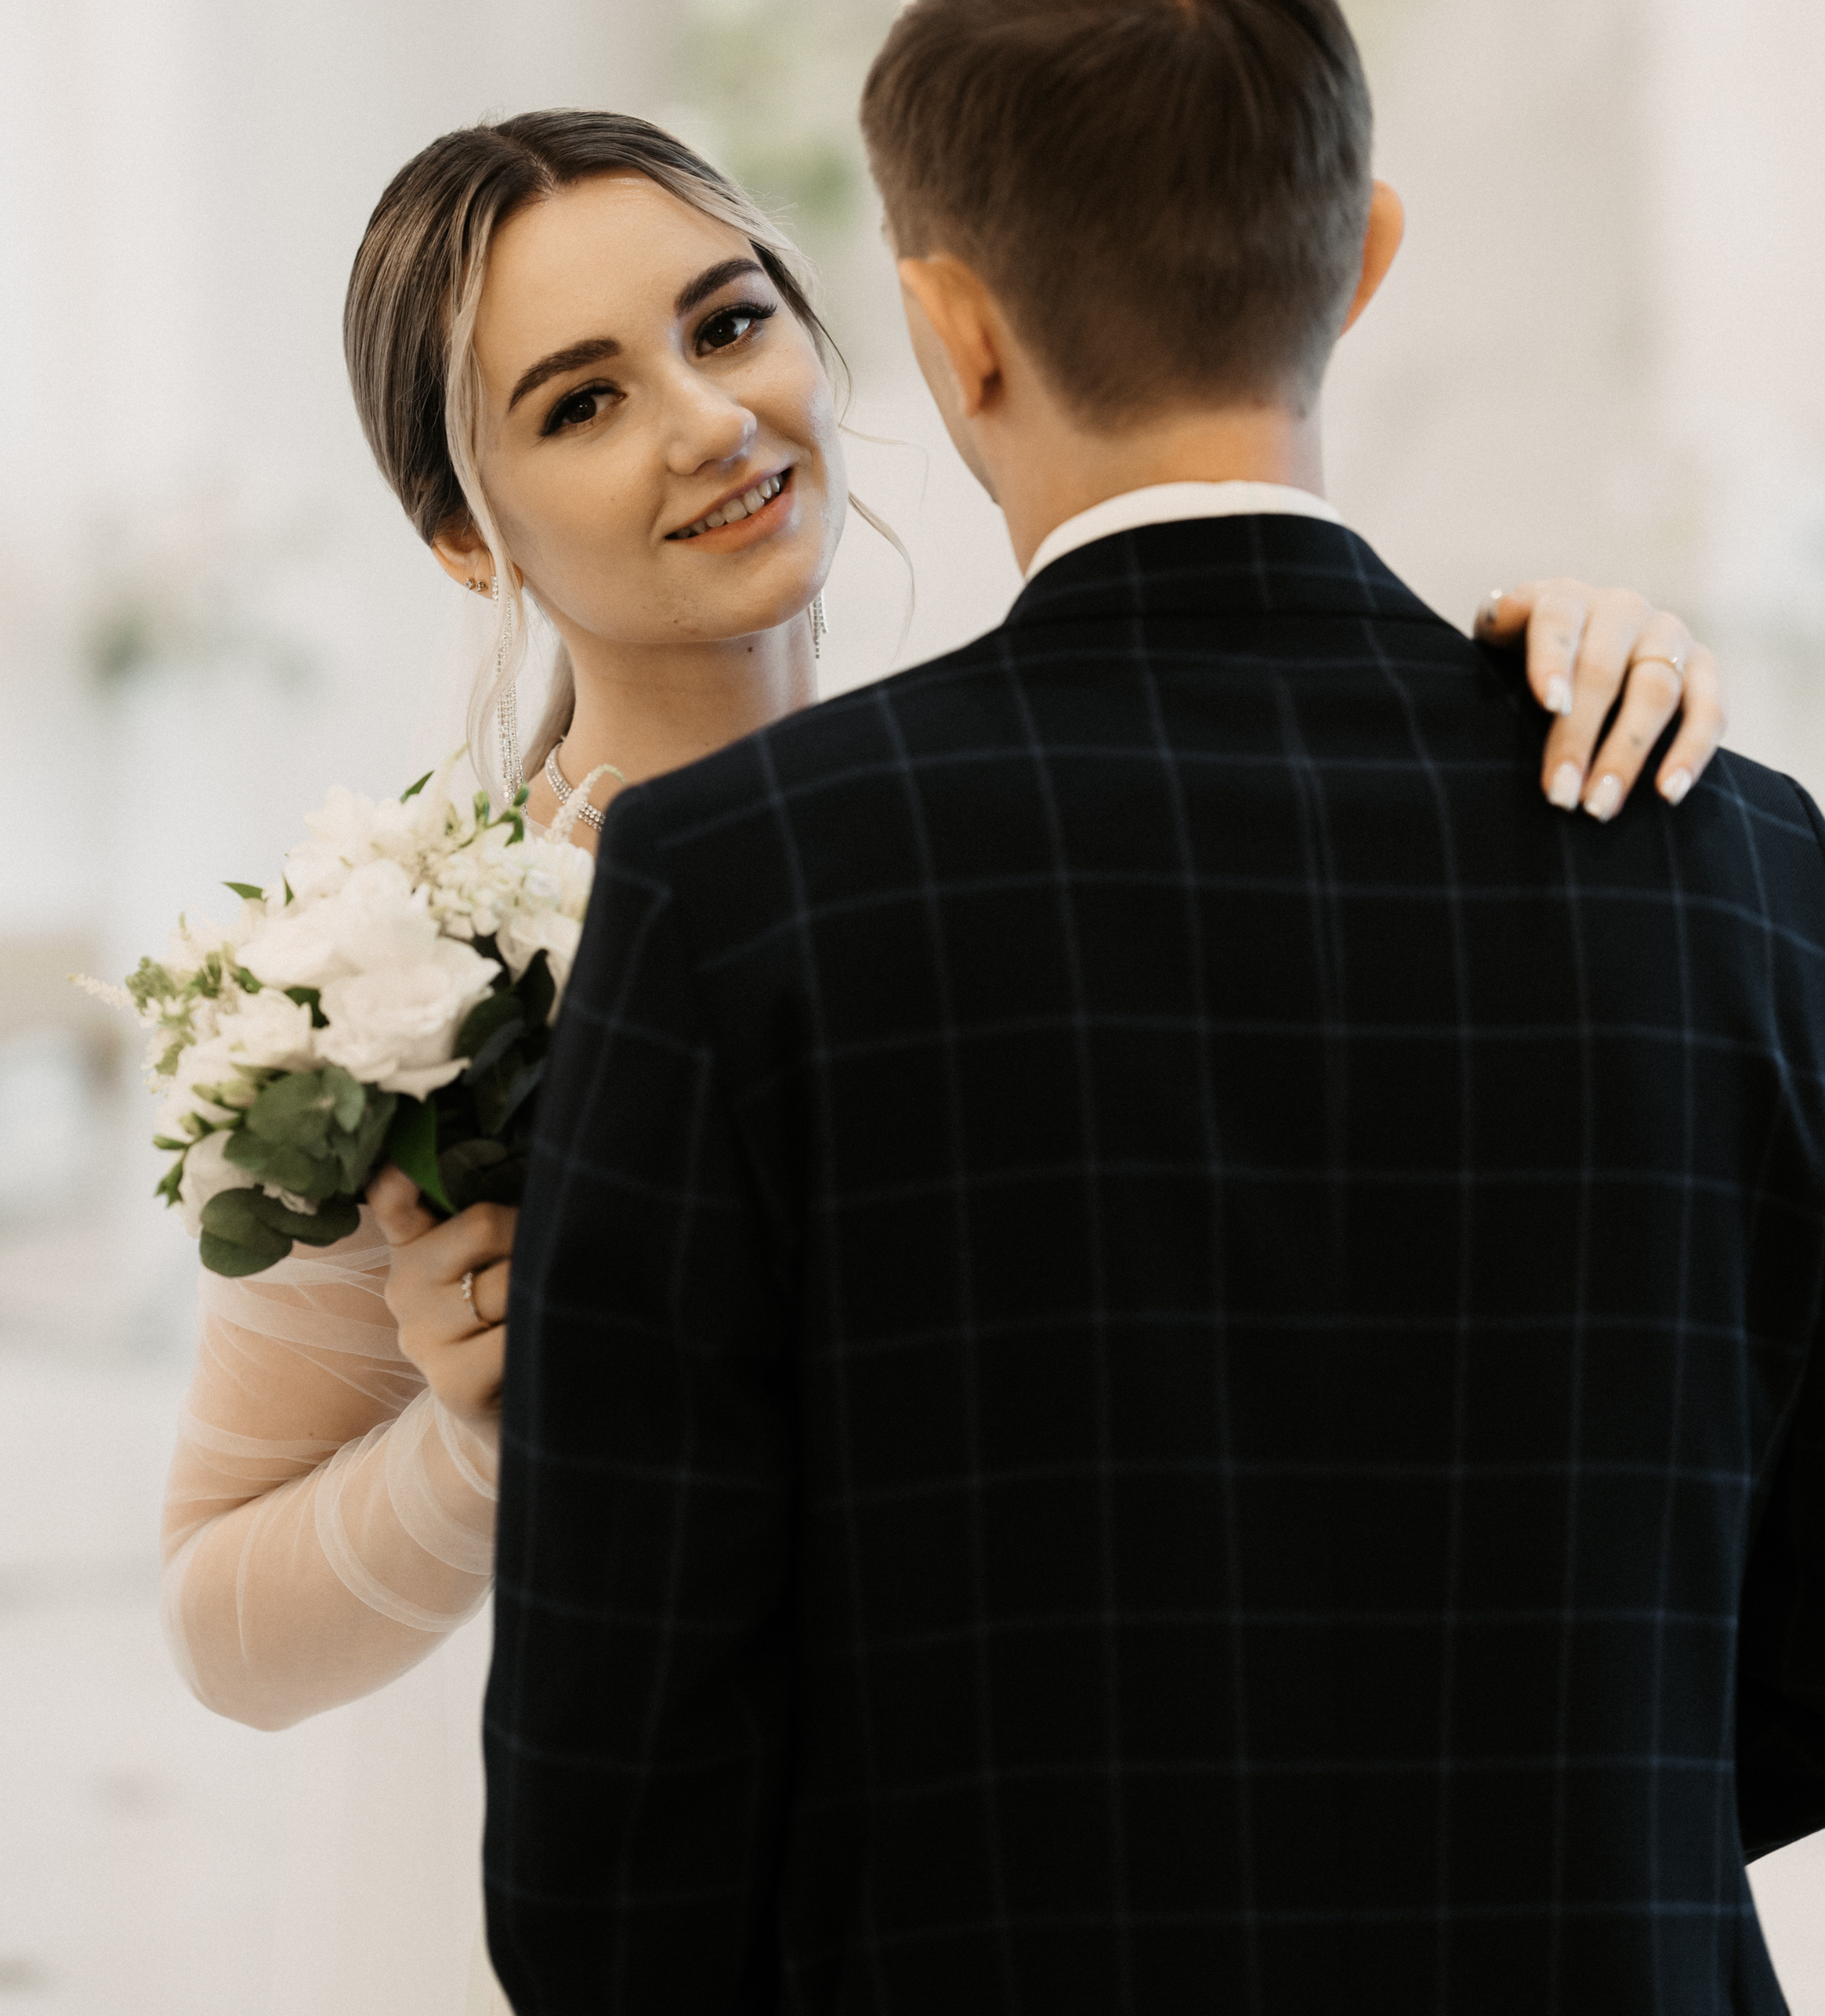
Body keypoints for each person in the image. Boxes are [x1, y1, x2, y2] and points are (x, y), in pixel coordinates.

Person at [160, 107, 1713, 2009]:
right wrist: (483, 1439)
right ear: (461, 536)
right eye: (579, 404)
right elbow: (221, 1629)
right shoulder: (401, 991)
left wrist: (1534, 673)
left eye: (728, 326)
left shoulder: (1016, 804)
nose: (707, 420)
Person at [483, 0, 1825, 2014]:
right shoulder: (1737, 860)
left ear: (952, 328)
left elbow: (614, 1816)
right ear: (1364, 256)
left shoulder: (745, 885)